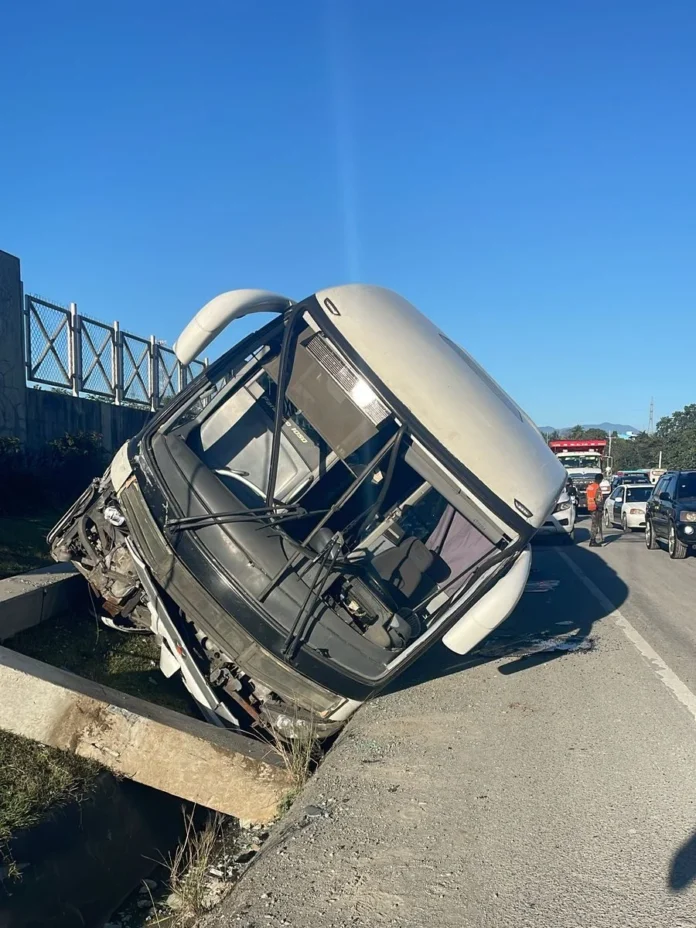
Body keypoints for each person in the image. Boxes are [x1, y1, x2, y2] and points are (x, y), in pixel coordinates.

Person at [586, 472, 605, 547]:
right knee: (595, 525)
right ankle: (593, 541)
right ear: (600, 480)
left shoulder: (590, 487)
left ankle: (593, 539)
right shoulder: (597, 487)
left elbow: (587, 497)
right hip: (596, 508)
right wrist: (601, 508)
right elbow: (598, 499)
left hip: (591, 507)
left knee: (594, 524)